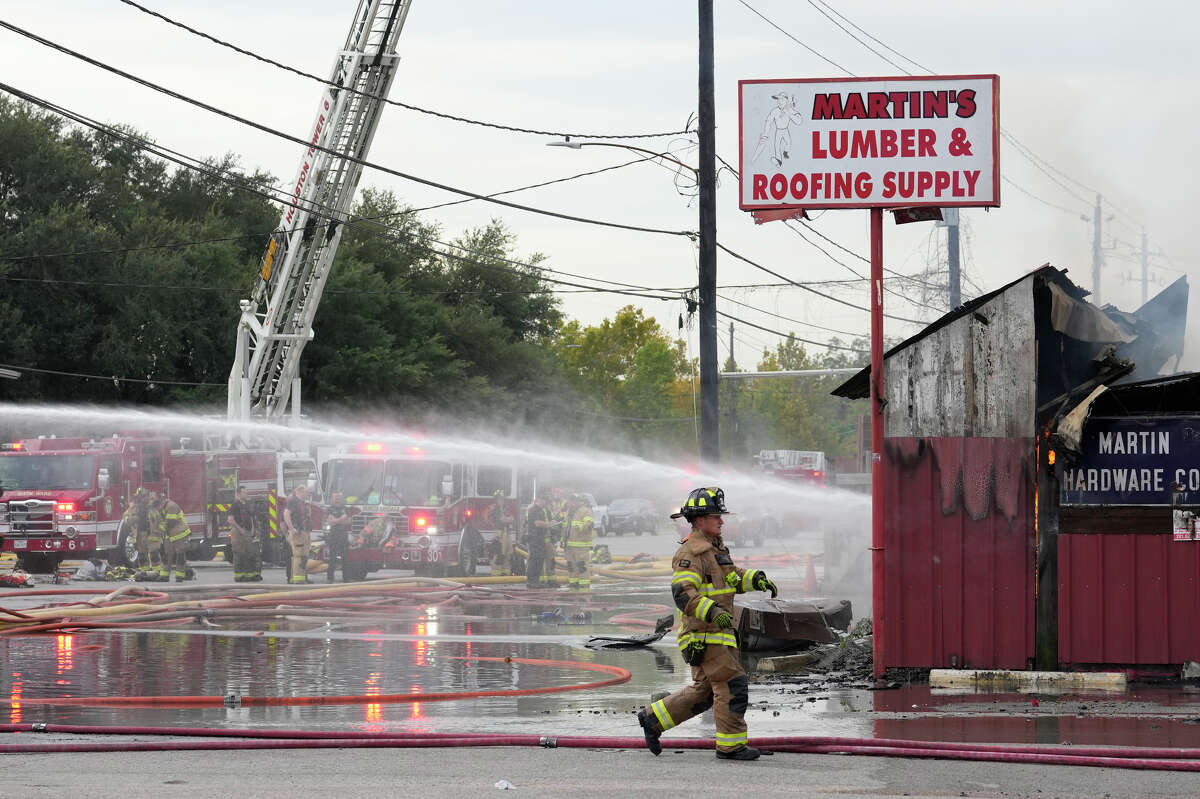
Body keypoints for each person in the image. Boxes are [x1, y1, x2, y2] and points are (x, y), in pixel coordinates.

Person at [637, 487, 779, 761]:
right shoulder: (692, 552)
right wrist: (713, 612)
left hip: (718, 633)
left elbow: (731, 577)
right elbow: (683, 592)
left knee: (704, 693)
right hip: (704, 633)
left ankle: (652, 719)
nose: (722, 520)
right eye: (716, 516)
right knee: (732, 685)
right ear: (700, 519)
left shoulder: (715, 549)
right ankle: (730, 746)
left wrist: (756, 579)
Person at [121, 488, 162, 574]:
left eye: (146, 496)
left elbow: (160, 519)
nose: (145, 498)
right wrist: (131, 519)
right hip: (140, 535)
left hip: (152, 535)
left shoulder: (153, 507)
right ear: (139, 498)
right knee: (142, 555)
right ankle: (145, 572)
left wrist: (161, 531)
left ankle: (157, 572)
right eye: (143, 497)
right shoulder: (134, 508)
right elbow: (125, 517)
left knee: (154, 554)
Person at [227, 486, 261, 582]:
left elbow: (251, 518)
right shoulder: (235, 504)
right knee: (239, 554)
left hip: (247, 533)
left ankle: (249, 575)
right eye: (244, 492)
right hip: (238, 533)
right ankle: (239, 576)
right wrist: (240, 529)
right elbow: (230, 519)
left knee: (249, 554)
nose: (246, 494)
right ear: (238, 493)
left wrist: (254, 530)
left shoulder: (246, 504)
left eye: (247, 492)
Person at [157, 493, 192, 581]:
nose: (158, 508)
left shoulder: (171, 506)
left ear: (162, 502)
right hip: (170, 535)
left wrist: (160, 528)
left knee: (180, 555)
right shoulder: (163, 508)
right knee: (167, 555)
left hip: (180, 534)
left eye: (158, 505)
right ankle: (164, 576)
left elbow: (170, 523)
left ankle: (179, 576)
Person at [563, 494, 594, 591]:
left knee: (582, 566)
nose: (570, 504)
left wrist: (581, 526)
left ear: (577, 501)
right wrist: (562, 540)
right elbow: (565, 527)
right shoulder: (569, 512)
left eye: (571, 502)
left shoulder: (586, 511)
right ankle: (573, 584)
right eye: (569, 502)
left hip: (581, 545)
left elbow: (589, 526)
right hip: (569, 545)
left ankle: (584, 586)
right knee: (571, 566)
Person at [284, 484, 313, 585]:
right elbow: (286, 514)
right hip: (298, 533)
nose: (307, 494)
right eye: (306, 492)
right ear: (300, 492)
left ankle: (300, 577)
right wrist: (291, 528)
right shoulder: (293, 501)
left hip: (304, 532)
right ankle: (298, 579)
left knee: (304, 556)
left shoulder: (302, 503)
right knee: (299, 555)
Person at [324, 492, 353, 583]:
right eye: (335, 497)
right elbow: (330, 522)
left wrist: (336, 520)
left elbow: (349, 521)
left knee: (345, 558)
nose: (337, 498)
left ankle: (346, 578)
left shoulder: (345, 508)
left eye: (338, 497)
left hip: (343, 535)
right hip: (333, 535)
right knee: (332, 557)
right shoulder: (329, 509)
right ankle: (330, 578)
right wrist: (341, 519)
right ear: (332, 498)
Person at [524, 495, 552, 588]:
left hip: (540, 538)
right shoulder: (533, 510)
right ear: (539, 500)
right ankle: (531, 581)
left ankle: (536, 581)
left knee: (539, 560)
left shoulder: (541, 510)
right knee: (534, 559)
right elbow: (537, 523)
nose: (545, 503)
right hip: (534, 538)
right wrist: (548, 524)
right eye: (544, 501)